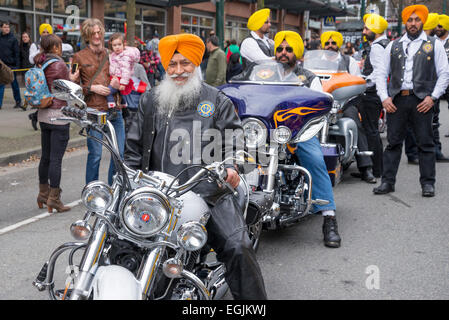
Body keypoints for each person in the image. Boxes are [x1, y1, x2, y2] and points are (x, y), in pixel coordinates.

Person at [124, 33, 267, 299]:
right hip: (157, 197)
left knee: (238, 247)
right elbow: (132, 149)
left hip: (209, 194)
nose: (179, 71)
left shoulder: (216, 100)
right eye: (172, 65)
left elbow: (235, 141)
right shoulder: (151, 100)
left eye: (185, 63)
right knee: (120, 241)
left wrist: (232, 166)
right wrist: (128, 182)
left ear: (197, 64)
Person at [272, 30, 342, 248]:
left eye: (288, 49)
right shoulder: (264, 74)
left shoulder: (308, 78)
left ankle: (329, 217)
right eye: (280, 49)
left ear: (298, 53)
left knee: (315, 160)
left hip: (299, 131)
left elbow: (321, 103)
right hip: (267, 131)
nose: (283, 53)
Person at [373, 5, 449, 197]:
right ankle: (387, 182)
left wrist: (433, 97)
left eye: (417, 20)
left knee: (426, 143)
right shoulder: (393, 45)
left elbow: (444, 74)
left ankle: (428, 184)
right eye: (410, 20)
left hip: (422, 100)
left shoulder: (434, 44)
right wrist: (384, 98)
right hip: (397, 100)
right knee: (393, 143)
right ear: (405, 22)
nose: (413, 23)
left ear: (422, 21)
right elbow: (381, 74)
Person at [71, 18, 125, 186]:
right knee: (96, 155)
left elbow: (126, 76)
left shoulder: (113, 54)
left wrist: (119, 83)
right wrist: (91, 88)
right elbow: (73, 88)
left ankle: (113, 188)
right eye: (93, 33)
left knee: (119, 154)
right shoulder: (78, 57)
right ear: (87, 35)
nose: (96, 36)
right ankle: (92, 191)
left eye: (99, 32)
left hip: (114, 109)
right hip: (94, 112)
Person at [321, 31, 377, 183]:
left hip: (344, 102)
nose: (330, 46)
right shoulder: (315, 61)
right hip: (320, 104)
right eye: (327, 43)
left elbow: (357, 82)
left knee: (354, 122)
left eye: (333, 43)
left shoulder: (348, 61)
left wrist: (346, 98)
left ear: (339, 44)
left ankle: (366, 168)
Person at [34, 34, 75, 213]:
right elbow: (65, 90)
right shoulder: (58, 64)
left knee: (46, 156)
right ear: (56, 47)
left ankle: (43, 194)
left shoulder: (39, 62)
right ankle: (54, 199)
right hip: (58, 115)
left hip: (43, 114)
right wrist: (72, 77)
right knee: (56, 160)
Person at [404, 12, 449, 163]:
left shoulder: (434, 43)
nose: (437, 28)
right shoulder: (420, 43)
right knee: (414, 122)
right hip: (420, 88)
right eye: (435, 25)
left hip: (434, 87)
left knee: (433, 121)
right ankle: (414, 153)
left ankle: (435, 150)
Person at [359, 13, 390, 179]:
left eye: (367, 28)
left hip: (372, 93)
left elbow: (379, 71)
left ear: (375, 30)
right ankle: (378, 168)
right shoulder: (386, 44)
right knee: (373, 131)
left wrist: (364, 80)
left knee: (370, 131)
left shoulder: (377, 47)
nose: (364, 31)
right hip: (378, 93)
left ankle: (375, 168)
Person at [28, 23, 54, 129]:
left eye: (48, 32)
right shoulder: (35, 44)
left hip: (50, 73)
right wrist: (40, 50)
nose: (46, 34)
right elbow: (30, 59)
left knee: (49, 98)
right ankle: (36, 116)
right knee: (43, 98)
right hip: (39, 75)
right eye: (44, 32)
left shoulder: (53, 43)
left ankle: (35, 116)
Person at [106, 33, 140, 109]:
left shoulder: (125, 57)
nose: (117, 47)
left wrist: (123, 83)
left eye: (119, 44)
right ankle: (124, 103)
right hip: (117, 77)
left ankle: (111, 107)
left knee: (108, 92)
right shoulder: (114, 55)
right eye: (114, 45)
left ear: (124, 44)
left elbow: (126, 71)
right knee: (120, 93)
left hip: (121, 79)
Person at [0, 21, 22, 110]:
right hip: (1, 65)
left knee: (14, 84)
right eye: (5, 27)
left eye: (8, 27)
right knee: (1, 85)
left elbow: (17, 53)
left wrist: (16, 66)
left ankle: (18, 101)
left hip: (11, 66)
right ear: (1, 28)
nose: (7, 29)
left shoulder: (13, 39)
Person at [19, 31, 33, 111]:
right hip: (24, 70)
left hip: (32, 69)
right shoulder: (20, 47)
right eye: (23, 37)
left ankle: (25, 104)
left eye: (26, 37)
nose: (24, 38)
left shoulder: (32, 46)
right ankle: (26, 104)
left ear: (29, 38)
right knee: (28, 88)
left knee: (30, 88)